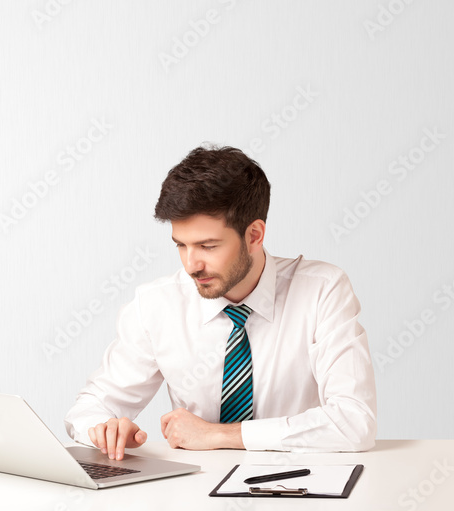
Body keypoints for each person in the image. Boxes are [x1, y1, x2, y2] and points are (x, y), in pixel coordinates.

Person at [64, 145, 377, 459]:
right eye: (181, 245)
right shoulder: (157, 305)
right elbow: (87, 411)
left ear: (254, 235)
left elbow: (355, 421)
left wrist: (218, 434)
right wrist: (104, 429)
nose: (191, 265)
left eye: (208, 246)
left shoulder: (322, 291)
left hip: (296, 487)